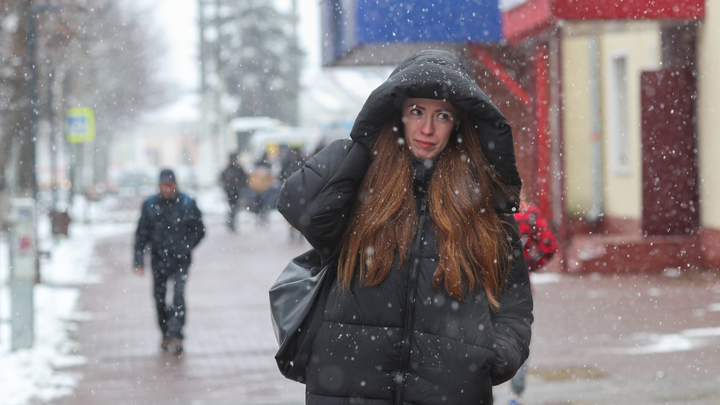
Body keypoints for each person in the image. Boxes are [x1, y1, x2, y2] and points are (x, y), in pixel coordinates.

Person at [277, 50, 533, 404]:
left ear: (457, 123)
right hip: (348, 388)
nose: (427, 129)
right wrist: (364, 142)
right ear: (396, 114)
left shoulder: (482, 205)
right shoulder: (361, 188)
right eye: (416, 112)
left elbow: (514, 303)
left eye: (441, 115)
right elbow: (300, 205)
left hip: (448, 392)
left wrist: (494, 356)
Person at [133, 169, 205, 354]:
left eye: (170, 184)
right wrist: (138, 261)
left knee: (178, 296)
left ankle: (177, 334)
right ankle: (165, 332)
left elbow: (199, 230)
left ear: (175, 184)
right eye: (164, 185)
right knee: (159, 298)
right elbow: (141, 234)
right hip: (158, 260)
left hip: (181, 259)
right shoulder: (150, 205)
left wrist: (186, 246)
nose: (167, 188)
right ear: (159, 186)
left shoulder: (187, 203)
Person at [508, 202, 558, 405]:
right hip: (521, 288)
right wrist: (528, 266)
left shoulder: (484, 208)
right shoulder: (529, 214)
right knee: (520, 339)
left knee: (484, 337)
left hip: (488, 287)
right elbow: (550, 245)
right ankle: (516, 394)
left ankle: (486, 390)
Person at [220, 153, 248, 232]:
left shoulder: (237, 168)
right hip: (230, 191)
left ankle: (231, 221)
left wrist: (240, 186)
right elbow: (222, 179)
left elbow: (244, 178)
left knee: (234, 208)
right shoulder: (229, 169)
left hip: (236, 191)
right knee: (233, 207)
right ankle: (231, 221)